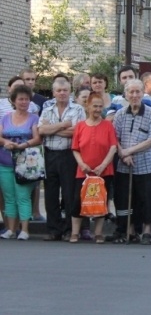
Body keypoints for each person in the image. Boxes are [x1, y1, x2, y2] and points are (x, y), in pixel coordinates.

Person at [111, 79, 151, 245]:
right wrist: (123, 154)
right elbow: (115, 138)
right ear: (125, 94)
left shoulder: (150, 113)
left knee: (147, 198)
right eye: (131, 92)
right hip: (124, 164)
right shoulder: (119, 114)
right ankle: (130, 229)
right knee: (126, 198)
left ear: (142, 93)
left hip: (145, 163)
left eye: (137, 92)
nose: (134, 95)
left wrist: (129, 151)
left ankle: (147, 231)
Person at [38, 77, 86, 240]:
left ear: (70, 91)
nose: (62, 93)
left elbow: (77, 132)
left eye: (65, 90)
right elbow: (41, 130)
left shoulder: (78, 109)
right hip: (50, 153)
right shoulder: (47, 108)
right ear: (53, 93)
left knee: (69, 193)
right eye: (58, 91)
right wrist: (62, 125)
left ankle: (69, 229)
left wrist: (51, 128)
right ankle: (53, 229)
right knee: (51, 193)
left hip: (68, 155)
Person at [70, 92, 117, 243]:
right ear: (87, 106)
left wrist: (103, 165)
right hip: (83, 171)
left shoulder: (108, 125)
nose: (97, 109)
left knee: (101, 202)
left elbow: (113, 147)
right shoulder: (80, 126)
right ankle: (75, 232)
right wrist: (82, 164)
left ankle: (98, 233)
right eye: (94, 106)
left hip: (104, 171)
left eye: (100, 106)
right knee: (78, 200)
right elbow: (75, 148)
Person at [0, 85, 41, 240]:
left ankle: (25, 230)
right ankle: (11, 229)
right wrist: (5, 142)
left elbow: (37, 138)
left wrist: (23, 145)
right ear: (14, 101)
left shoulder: (34, 118)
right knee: (9, 197)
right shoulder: (5, 117)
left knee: (23, 196)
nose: (24, 102)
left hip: (26, 163)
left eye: (26, 99)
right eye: (20, 99)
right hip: (5, 162)